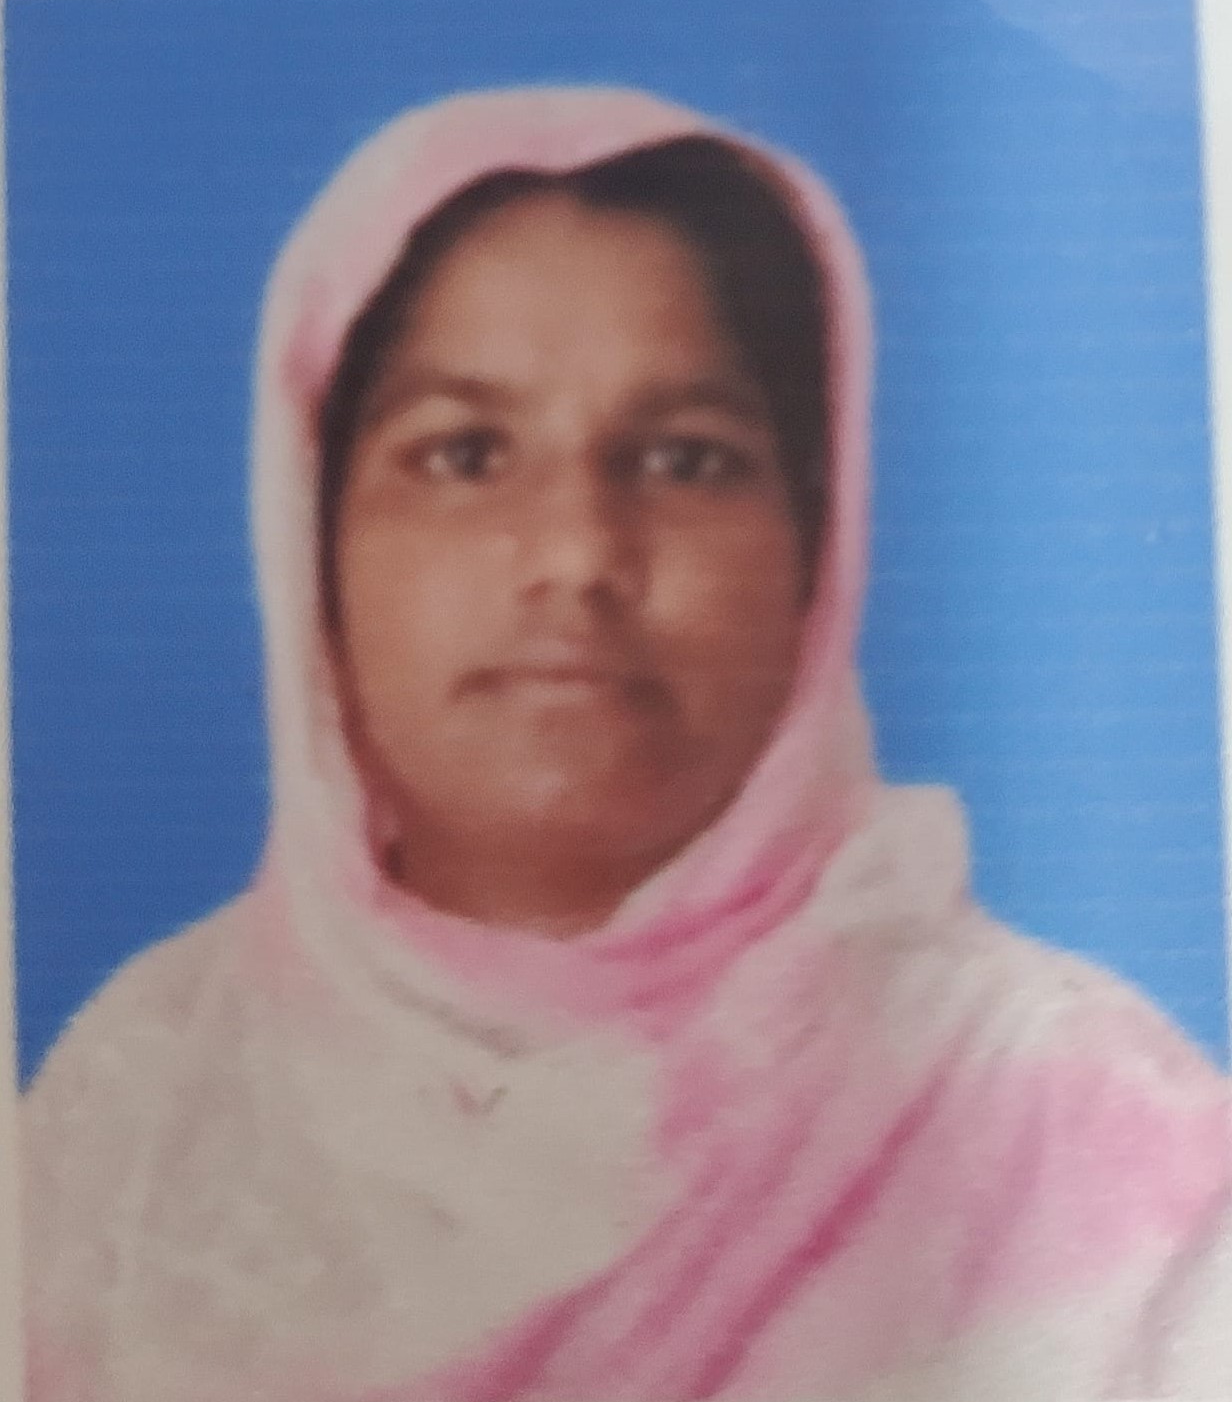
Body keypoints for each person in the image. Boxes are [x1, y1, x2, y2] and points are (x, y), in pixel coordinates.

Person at [21, 86, 1231, 1402]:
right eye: (464, 454)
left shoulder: (1075, 1135)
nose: (577, 554)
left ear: (816, 548)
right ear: (313, 536)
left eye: (685, 461)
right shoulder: (135, 1113)